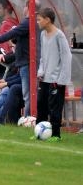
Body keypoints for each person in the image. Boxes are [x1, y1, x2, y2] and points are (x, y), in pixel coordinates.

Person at [0, 0, 41, 117]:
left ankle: (27, 119)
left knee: (27, 95)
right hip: (24, 64)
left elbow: (12, 34)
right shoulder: (34, 22)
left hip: (26, 63)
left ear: (28, 8)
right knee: (21, 93)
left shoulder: (29, 21)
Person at [35, 8, 71, 142]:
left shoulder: (59, 36)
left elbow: (67, 58)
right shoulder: (43, 34)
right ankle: (39, 131)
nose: (37, 22)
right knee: (41, 105)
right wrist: (41, 72)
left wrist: (62, 79)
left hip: (56, 80)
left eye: (39, 19)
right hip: (44, 78)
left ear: (48, 20)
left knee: (55, 108)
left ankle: (56, 135)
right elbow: (43, 57)